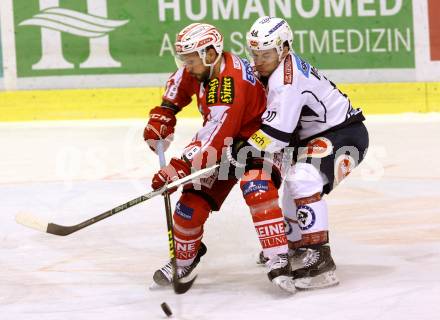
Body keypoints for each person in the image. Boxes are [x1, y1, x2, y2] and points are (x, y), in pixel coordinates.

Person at [143, 23, 296, 293]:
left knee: (257, 187)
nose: (186, 66)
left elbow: (215, 135)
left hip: (259, 142)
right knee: (190, 207)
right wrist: (165, 111)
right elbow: (181, 81)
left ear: (210, 54)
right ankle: (184, 259)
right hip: (225, 145)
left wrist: (178, 168)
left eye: (190, 60)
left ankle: (278, 257)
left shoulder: (229, 84)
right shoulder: (204, 66)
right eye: (184, 59)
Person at [237, 16, 369, 289]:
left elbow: (276, 135)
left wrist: (243, 149)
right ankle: (296, 244)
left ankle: (320, 258)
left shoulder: (287, 81)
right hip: (314, 138)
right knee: (292, 191)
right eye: (255, 54)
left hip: (343, 135)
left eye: (266, 54)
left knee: (302, 178)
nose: (259, 60)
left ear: (284, 48)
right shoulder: (273, 69)